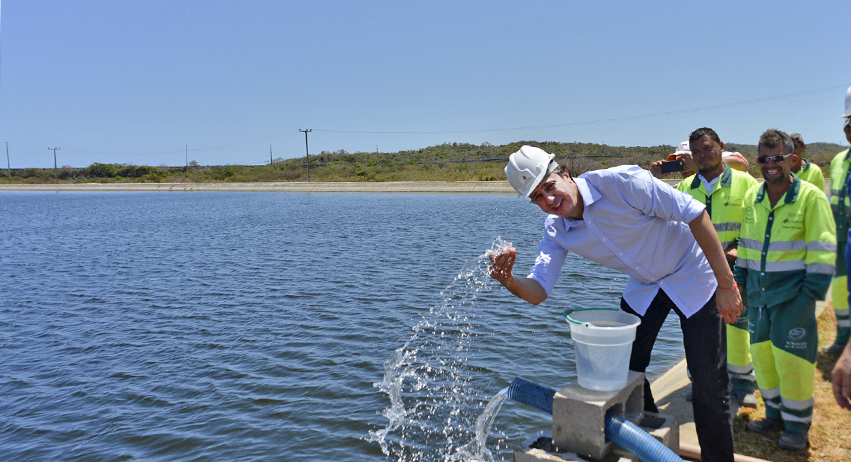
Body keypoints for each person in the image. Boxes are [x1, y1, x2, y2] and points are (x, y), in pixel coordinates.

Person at [490, 145, 741, 462]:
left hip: (691, 271)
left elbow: (695, 213)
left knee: (708, 385)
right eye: (538, 197)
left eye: (550, 186)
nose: (549, 200)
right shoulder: (557, 230)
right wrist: (508, 280)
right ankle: (653, 444)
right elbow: (539, 290)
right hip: (646, 284)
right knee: (625, 370)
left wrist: (726, 283)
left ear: (566, 174)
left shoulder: (622, 182)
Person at [735, 129, 836, 451]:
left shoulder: (810, 197)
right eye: (764, 159)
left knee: (793, 360)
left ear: (792, 159)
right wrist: (739, 284)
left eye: (777, 157)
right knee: (763, 358)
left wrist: (810, 294)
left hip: (793, 295)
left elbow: (823, 249)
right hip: (757, 294)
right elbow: (746, 247)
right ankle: (774, 415)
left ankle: (796, 426)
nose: (770, 164)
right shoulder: (753, 196)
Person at [676, 128, 759, 408]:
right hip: (697, 272)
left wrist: (738, 248)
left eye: (707, 148)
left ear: (721, 146)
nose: (702, 155)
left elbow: (757, 225)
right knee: (697, 328)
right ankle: (700, 381)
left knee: (736, 325)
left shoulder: (746, 183)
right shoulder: (685, 188)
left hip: (736, 267)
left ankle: (743, 381)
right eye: (696, 151)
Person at [824, 102, 851, 356]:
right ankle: (843, 339)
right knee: (841, 291)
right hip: (841, 239)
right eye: (848, 122)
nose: (849, 128)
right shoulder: (839, 161)